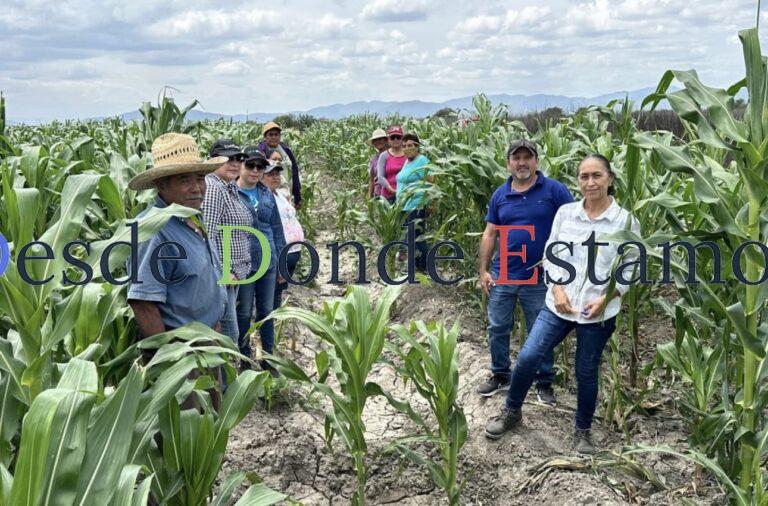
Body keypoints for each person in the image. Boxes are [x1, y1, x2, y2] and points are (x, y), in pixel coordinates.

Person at [485, 154, 640, 455]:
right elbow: (552, 253)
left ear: (610, 178)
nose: (590, 182)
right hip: (559, 305)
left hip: (597, 313)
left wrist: (609, 296)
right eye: (584, 177)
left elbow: (632, 265)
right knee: (529, 356)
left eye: (596, 175)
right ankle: (512, 411)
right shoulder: (566, 214)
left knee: (586, 371)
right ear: (578, 181)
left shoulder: (625, 221)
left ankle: (582, 430)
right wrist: (556, 288)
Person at [477, 140, 574, 404]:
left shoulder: (554, 190)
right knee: (498, 326)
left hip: (541, 276)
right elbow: (490, 233)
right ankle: (500, 374)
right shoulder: (500, 194)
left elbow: (574, 225)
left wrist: (560, 261)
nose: (522, 163)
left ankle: (543, 381)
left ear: (536, 161)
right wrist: (483, 271)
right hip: (503, 273)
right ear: (508, 163)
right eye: (516, 158)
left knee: (539, 330)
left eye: (527, 157)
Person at [126, 133, 226, 339]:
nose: (197, 188)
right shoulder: (151, 231)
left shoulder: (193, 216)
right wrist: (169, 360)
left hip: (210, 339)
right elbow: (143, 304)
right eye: (184, 180)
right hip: (185, 354)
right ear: (161, 184)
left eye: (200, 179)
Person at [236, 146, 286, 376]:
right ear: (242, 165)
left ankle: (267, 358)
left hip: (269, 260)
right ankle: (243, 356)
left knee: (267, 310)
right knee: (244, 312)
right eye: (251, 165)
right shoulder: (231, 193)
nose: (256, 171)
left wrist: (281, 263)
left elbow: (276, 228)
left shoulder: (266, 193)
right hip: (243, 261)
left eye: (260, 166)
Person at [202, 139, 253, 345]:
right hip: (225, 274)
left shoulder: (228, 187)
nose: (235, 163)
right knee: (228, 336)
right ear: (212, 161)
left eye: (238, 158)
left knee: (229, 333)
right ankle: (224, 377)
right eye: (228, 158)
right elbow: (207, 233)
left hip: (234, 273)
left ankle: (224, 375)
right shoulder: (214, 188)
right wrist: (222, 272)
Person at [261, 156, 305, 310]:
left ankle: (274, 322)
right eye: (270, 174)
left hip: (292, 251)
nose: (275, 177)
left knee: (278, 291)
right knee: (272, 291)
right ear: (261, 177)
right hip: (281, 254)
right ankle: (268, 324)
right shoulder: (263, 198)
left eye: (277, 174)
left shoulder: (279, 195)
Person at [395, 133, 433, 271]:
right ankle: (417, 265)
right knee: (410, 237)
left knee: (417, 237)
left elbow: (431, 183)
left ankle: (423, 267)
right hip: (404, 206)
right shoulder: (407, 161)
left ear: (417, 146)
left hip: (416, 205)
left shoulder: (422, 160)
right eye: (404, 146)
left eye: (410, 145)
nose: (406, 148)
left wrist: (430, 204)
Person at [258, 121, 302, 209]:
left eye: (276, 134)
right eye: (270, 134)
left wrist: (297, 196)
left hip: (287, 192)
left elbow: (294, 171)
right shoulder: (260, 151)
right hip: (271, 196)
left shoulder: (285, 149)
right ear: (265, 137)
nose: (274, 137)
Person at [376, 125, 407, 204]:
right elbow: (380, 177)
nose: (395, 139)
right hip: (388, 197)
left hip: (405, 195)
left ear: (402, 138)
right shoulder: (384, 155)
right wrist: (392, 190)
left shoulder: (408, 154)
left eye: (398, 137)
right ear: (389, 139)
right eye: (392, 137)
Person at [366, 129, 389, 198]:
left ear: (385, 140)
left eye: (380, 139)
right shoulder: (374, 159)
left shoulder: (392, 155)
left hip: (392, 194)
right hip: (378, 195)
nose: (377, 141)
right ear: (373, 143)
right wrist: (370, 198)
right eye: (375, 140)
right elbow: (372, 180)